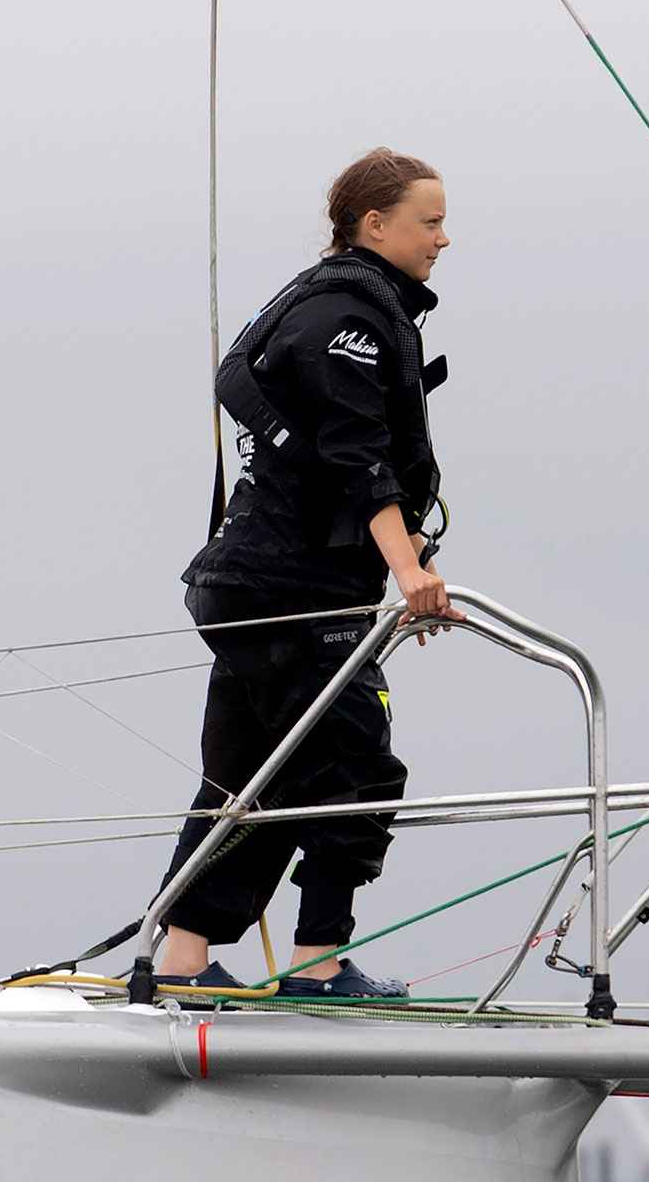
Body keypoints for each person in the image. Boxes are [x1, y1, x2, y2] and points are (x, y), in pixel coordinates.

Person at [152, 148, 462, 998]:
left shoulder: (331, 307)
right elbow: (353, 458)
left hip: (257, 584)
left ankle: (182, 960)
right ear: (374, 225)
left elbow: (331, 471)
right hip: (291, 591)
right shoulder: (346, 321)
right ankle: (317, 964)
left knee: (250, 771)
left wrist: (414, 562)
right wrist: (409, 572)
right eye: (429, 221)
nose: (444, 238)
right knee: (356, 770)